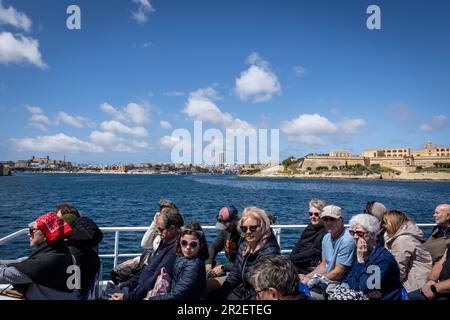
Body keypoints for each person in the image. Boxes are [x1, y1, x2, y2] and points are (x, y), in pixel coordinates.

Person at [0, 212, 79, 300]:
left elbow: (3, 275)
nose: (28, 234)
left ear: (46, 235)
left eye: (32, 230)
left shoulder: (44, 262)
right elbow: (25, 263)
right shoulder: (67, 254)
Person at [110, 206, 183, 300]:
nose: (158, 233)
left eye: (160, 230)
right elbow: (148, 268)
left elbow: (155, 278)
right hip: (139, 290)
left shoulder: (174, 250)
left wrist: (127, 297)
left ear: (172, 228)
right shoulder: (165, 241)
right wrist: (127, 285)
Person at [329, 214, 402, 300]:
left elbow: (366, 286)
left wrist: (360, 261)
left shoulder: (383, 259)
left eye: (360, 233)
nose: (355, 237)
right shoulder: (363, 252)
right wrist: (364, 290)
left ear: (372, 234)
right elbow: (351, 280)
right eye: (352, 233)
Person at [216, 207, 281, 300]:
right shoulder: (245, 245)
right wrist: (221, 295)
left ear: (263, 227)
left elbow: (263, 289)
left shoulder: (270, 253)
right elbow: (234, 275)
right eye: (244, 228)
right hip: (244, 290)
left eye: (253, 228)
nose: (248, 232)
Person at [299, 205, 356, 299]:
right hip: (326, 281)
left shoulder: (347, 241)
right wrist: (306, 277)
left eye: (332, 219)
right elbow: (324, 265)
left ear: (341, 220)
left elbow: (339, 273)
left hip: (341, 285)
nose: (328, 222)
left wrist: (314, 279)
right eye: (325, 219)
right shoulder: (326, 237)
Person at [148, 222, 208, 300]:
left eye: (193, 244)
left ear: (200, 245)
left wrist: (152, 299)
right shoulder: (181, 257)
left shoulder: (194, 267)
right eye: (184, 243)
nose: (188, 247)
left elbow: (178, 295)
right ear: (180, 242)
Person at [56, 203, 103, 299]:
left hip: (76, 285)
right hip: (87, 277)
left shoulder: (73, 247)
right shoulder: (86, 234)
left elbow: (71, 286)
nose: (56, 222)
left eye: (59, 219)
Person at [383, 210, 432, 293]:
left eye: (385, 222)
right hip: (420, 279)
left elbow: (398, 270)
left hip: (413, 284)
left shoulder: (402, 240)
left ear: (393, 223)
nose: (383, 225)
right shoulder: (407, 236)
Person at [290, 199, 327, 274]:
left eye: (316, 214)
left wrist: (290, 259)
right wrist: (290, 259)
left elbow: (313, 252)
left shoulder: (325, 232)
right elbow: (298, 245)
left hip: (309, 267)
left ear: (323, 215)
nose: (312, 216)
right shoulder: (309, 228)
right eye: (310, 214)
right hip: (297, 262)